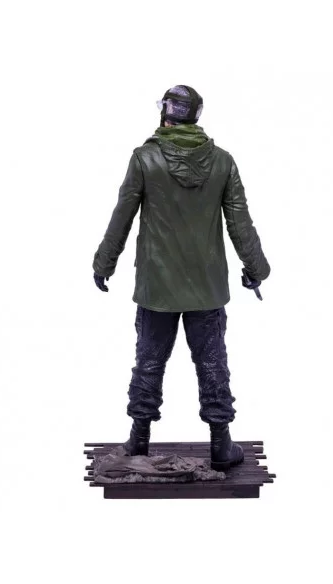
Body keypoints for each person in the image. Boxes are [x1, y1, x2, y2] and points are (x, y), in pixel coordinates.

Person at [92, 85, 270, 470]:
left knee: (148, 362)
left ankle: (139, 440)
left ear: (166, 115)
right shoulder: (222, 162)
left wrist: (104, 264)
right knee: (213, 363)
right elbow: (240, 223)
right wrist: (257, 269)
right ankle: (221, 444)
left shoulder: (144, 159)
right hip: (207, 288)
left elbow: (122, 217)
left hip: (156, 287)